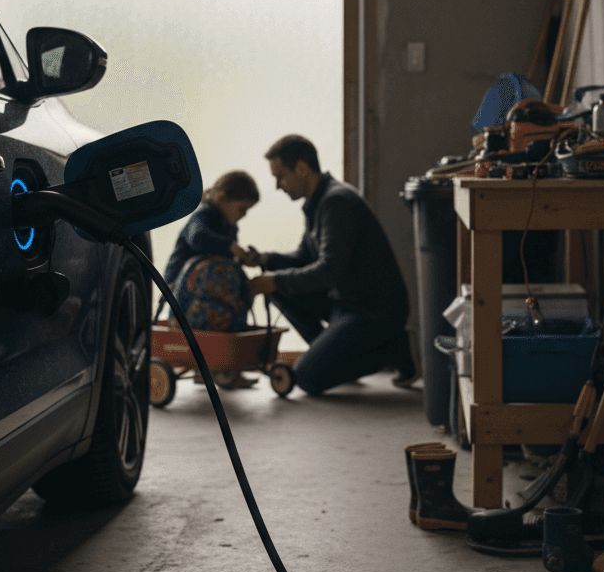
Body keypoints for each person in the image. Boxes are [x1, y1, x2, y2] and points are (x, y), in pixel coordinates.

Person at [246, 134, 416, 396]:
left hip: (371, 313)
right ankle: (332, 356)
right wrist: (264, 260)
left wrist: (276, 280)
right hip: (344, 302)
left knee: (306, 379)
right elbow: (304, 258)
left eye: (280, 176)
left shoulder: (336, 203)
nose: (279, 186)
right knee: (275, 286)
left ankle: (392, 350)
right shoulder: (317, 203)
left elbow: (330, 270)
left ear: (301, 169)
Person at [162, 170, 259, 335]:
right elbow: (197, 238)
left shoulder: (231, 227)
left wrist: (241, 258)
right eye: (242, 209)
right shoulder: (202, 215)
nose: (244, 215)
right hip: (181, 287)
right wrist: (230, 246)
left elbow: (226, 259)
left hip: (208, 289)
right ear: (221, 198)